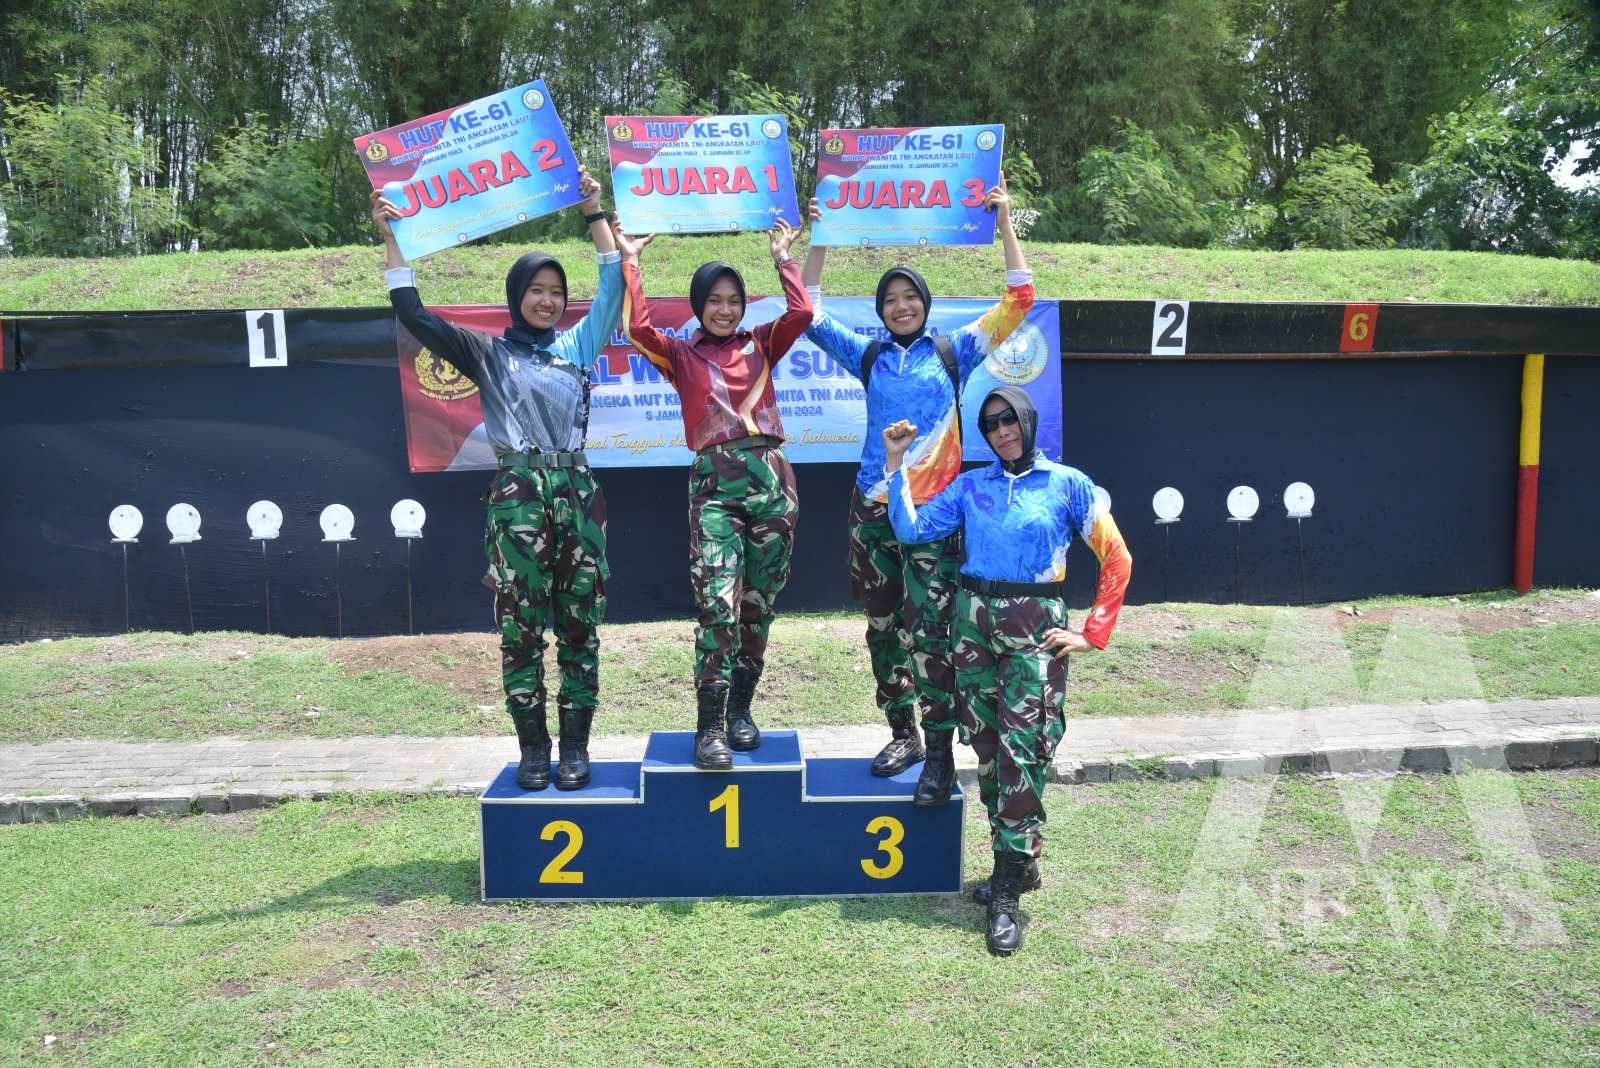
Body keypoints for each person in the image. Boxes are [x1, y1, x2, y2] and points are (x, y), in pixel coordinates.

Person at [369, 167, 622, 792]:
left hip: (578, 499)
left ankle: (575, 749)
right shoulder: (487, 352)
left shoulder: (578, 348)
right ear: (517, 296)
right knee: (520, 629)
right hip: (518, 501)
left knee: (580, 627)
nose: (548, 300)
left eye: (556, 291)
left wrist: (594, 211)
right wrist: (391, 235)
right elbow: (412, 312)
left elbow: (615, 282)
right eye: (536, 290)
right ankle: (534, 751)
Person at [802, 175, 1032, 806]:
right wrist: (818, 238)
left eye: (911, 297)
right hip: (873, 509)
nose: (902, 306)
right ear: (879, 311)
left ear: (925, 304)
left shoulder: (954, 351)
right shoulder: (869, 357)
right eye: (891, 299)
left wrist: (1005, 219)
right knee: (882, 626)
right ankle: (900, 732)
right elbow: (804, 309)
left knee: (930, 630)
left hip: (934, 513)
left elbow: (1020, 297)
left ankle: (937, 757)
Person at [882, 387, 1132, 956]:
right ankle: (1018, 860)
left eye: (1009, 419)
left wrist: (1093, 632)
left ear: (1027, 420)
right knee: (989, 748)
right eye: (991, 423)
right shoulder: (973, 486)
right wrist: (896, 465)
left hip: (1032, 629)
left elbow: (1116, 556)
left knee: (1024, 750)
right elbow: (913, 530)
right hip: (972, 628)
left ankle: (1005, 895)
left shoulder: (1068, 484)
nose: (1001, 430)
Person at [611, 220, 811, 768]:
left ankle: (743, 711)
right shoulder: (680, 355)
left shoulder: (764, 342)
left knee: (758, 606)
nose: (725, 310)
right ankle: (710, 728)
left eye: (734, 300)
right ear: (699, 305)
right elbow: (638, 329)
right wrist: (632, 261)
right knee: (717, 606)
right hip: (715, 489)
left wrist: (782, 257)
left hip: (773, 482)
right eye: (715, 301)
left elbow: (802, 315)